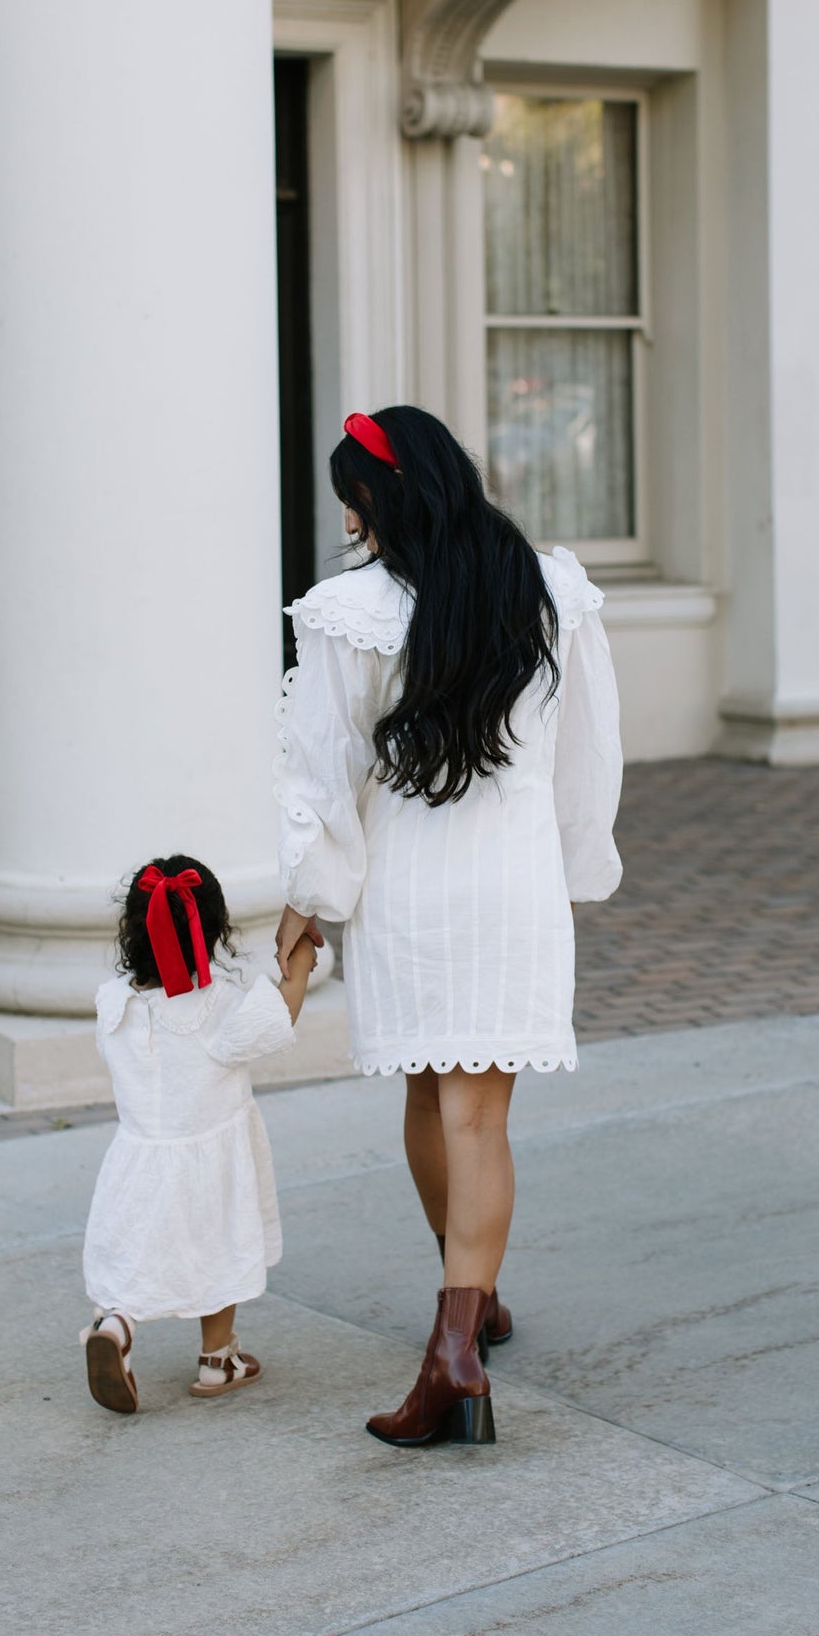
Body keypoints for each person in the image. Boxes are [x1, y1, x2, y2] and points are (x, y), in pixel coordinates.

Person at [274, 406, 622, 1448]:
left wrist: (303, 906)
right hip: (511, 887)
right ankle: (472, 1308)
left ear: (382, 498)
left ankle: (455, 1348)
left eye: (353, 494)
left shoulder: (348, 613)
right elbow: (588, 754)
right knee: (478, 1114)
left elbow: (320, 781)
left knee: (429, 1097)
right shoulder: (549, 588)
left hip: (410, 889)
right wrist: (569, 866)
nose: (347, 513)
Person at [80, 853, 318, 1414]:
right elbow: (282, 1014)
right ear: (213, 929)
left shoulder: (114, 1004)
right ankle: (218, 1362)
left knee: (133, 1255)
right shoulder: (218, 1010)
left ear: (132, 929)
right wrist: (302, 956)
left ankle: (115, 1326)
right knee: (220, 1250)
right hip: (210, 1164)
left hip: (137, 1160)